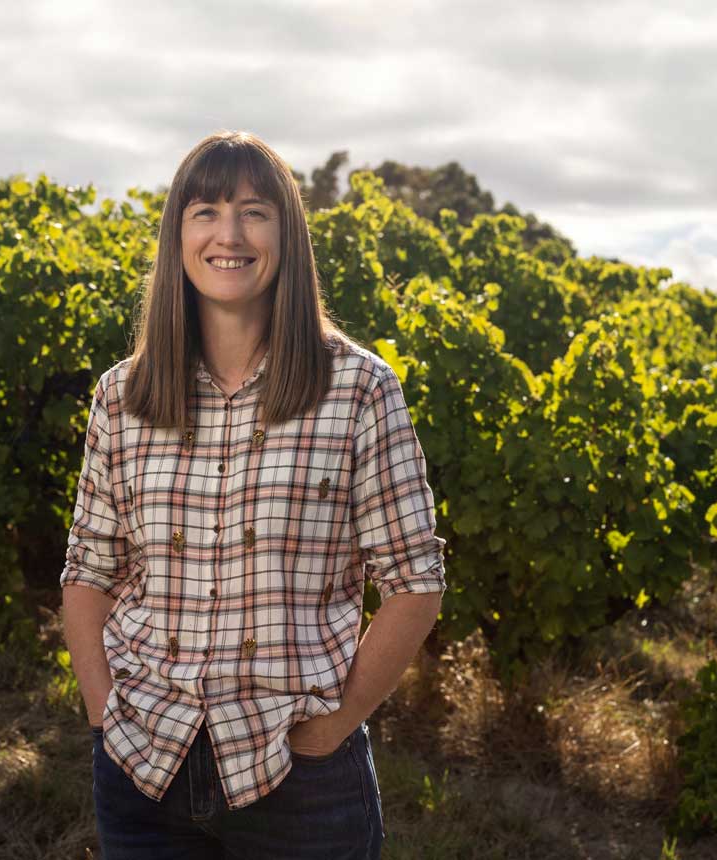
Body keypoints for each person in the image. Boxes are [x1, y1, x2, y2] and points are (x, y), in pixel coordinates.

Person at [60, 130, 447, 859]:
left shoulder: (358, 388)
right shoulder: (123, 395)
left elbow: (415, 582)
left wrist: (338, 723)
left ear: (286, 235)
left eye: (254, 212)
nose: (228, 234)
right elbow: (88, 572)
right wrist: (102, 711)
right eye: (204, 211)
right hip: (145, 768)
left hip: (300, 782)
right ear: (179, 234)